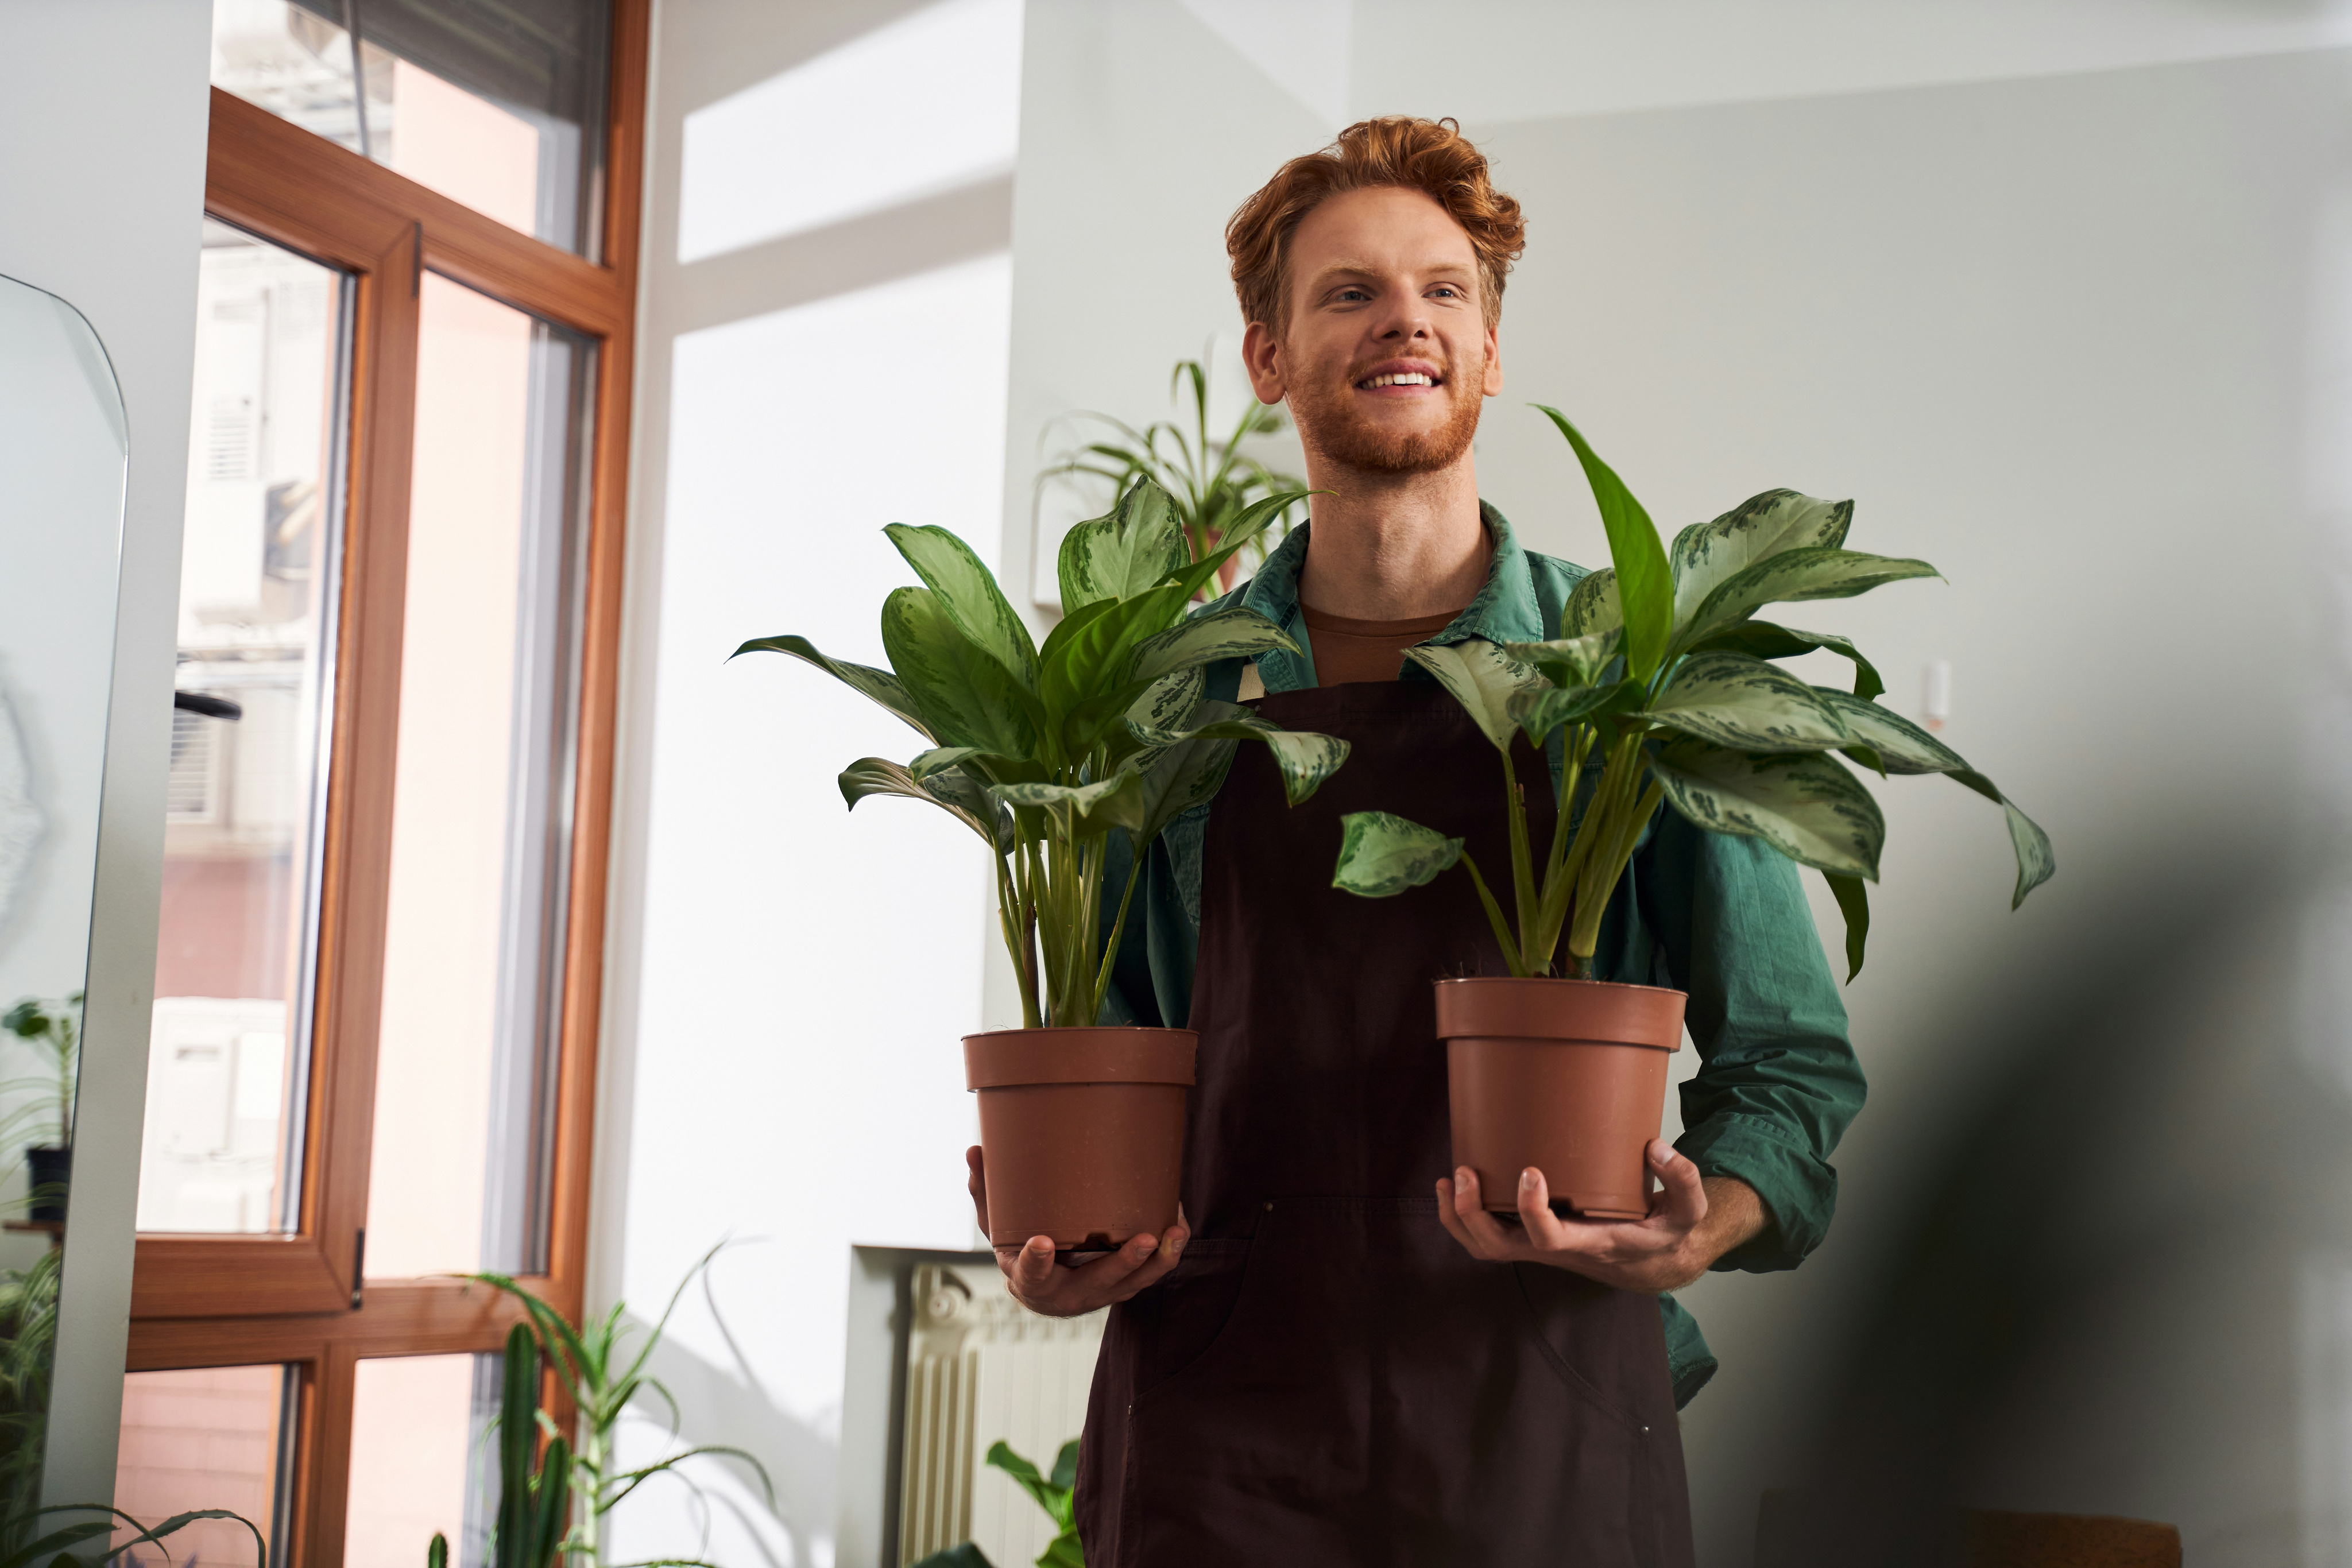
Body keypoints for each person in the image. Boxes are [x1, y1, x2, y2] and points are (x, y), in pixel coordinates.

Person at [964, 116, 1863, 1566]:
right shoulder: (1165, 692)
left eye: (1444, 291)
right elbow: (1111, 1045)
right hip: (1220, 1429)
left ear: (1491, 350)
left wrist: (1697, 1227)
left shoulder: (1630, 673)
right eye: (1349, 292)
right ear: (1267, 357)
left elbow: (1790, 1063)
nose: (1406, 323)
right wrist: (1067, 1242)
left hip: (1544, 1419)